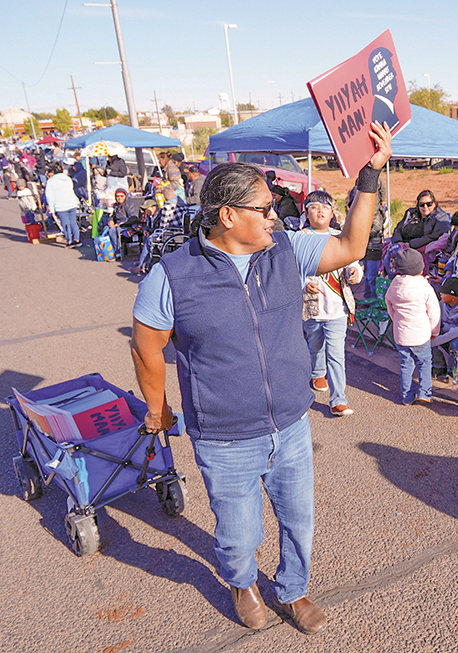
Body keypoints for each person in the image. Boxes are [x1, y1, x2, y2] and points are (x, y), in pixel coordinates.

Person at [130, 121, 392, 634]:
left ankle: (292, 590)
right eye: (265, 209)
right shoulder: (172, 275)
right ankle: (243, 582)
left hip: (291, 424)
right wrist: (156, 408)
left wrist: (369, 176)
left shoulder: (287, 252)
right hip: (224, 437)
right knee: (237, 532)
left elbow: (352, 245)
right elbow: (146, 346)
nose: (278, 216)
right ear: (227, 215)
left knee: (299, 522)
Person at [300, 192, 362, 417]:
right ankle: (317, 372)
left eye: (325, 207)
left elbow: (354, 262)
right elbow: (292, 271)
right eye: (314, 207)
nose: (320, 211)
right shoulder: (300, 238)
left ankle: (338, 400)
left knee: (337, 354)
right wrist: (304, 284)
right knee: (315, 345)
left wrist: (355, 273)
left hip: (338, 307)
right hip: (312, 307)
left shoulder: (340, 236)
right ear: (306, 212)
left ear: (332, 212)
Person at [385, 248, 441, 405]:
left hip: (401, 334)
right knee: (424, 362)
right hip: (421, 334)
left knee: (405, 364)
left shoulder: (394, 284)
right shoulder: (425, 287)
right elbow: (434, 312)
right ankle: (424, 393)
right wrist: (434, 331)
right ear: (420, 268)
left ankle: (407, 396)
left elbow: (388, 303)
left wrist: (395, 318)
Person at [347, 175, 387, 300]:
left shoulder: (375, 211)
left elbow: (376, 228)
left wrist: (360, 232)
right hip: (363, 247)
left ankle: (372, 300)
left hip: (373, 248)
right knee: (366, 275)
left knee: (371, 276)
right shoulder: (359, 212)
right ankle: (367, 297)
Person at [44, 162, 81, 248]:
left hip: (60, 206)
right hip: (72, 203)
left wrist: (52, 209)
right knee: (73, 223)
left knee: (65, 224)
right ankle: (77, 240)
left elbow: (49, 196)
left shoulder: (51, 181)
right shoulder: (68, 178)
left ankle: (69, 241)